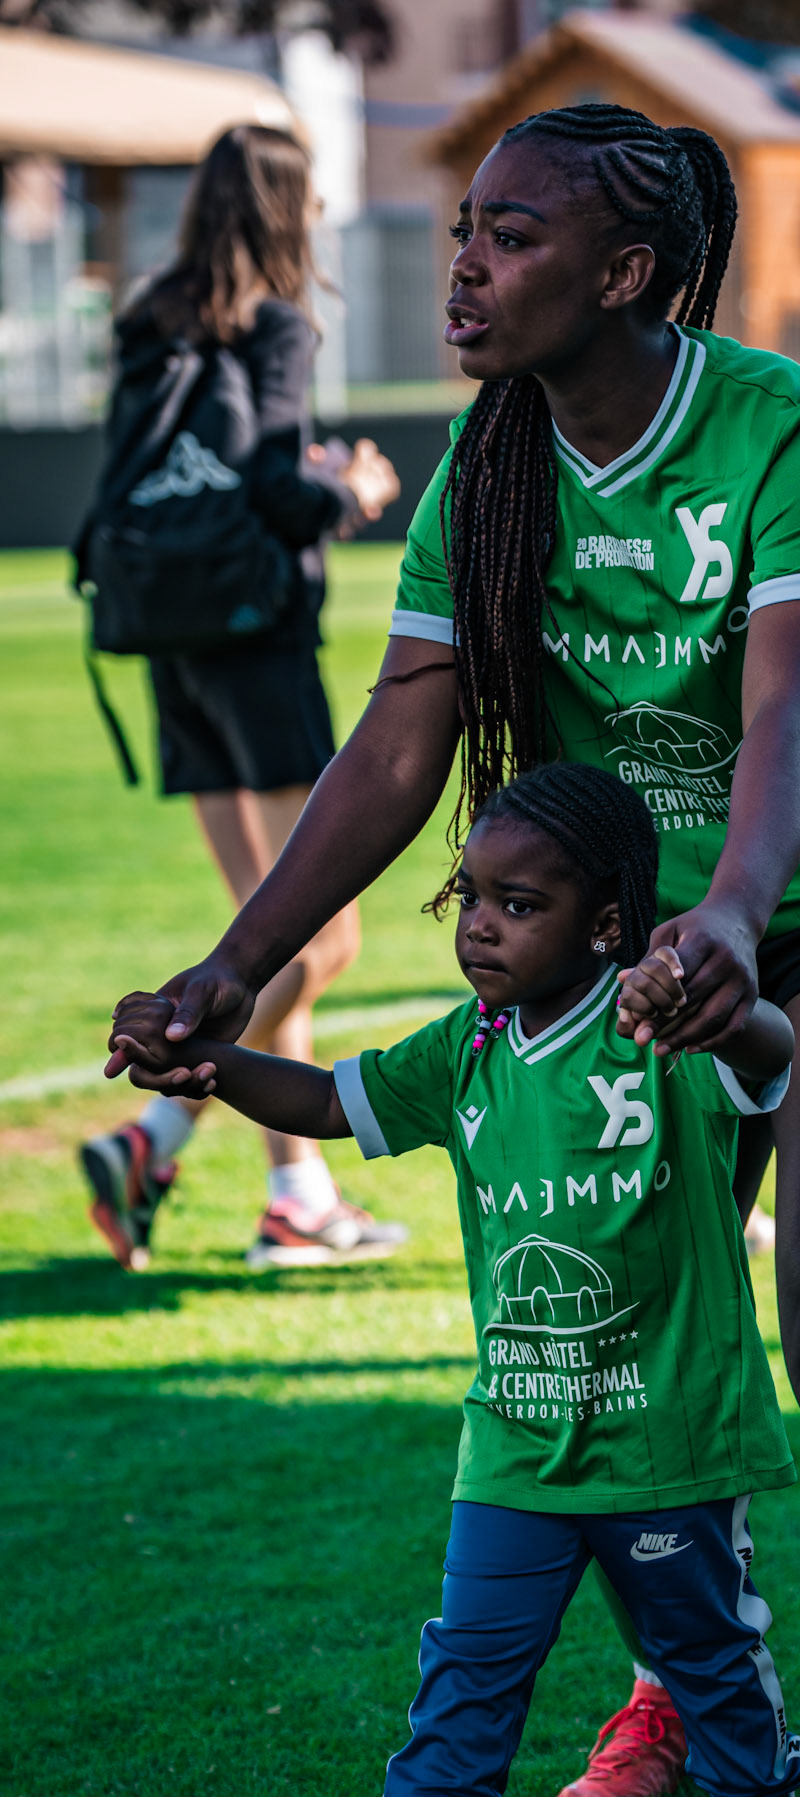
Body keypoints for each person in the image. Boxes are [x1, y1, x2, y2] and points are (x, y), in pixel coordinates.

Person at [108, 104, 800, 1797]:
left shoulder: (791, 430)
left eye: (512, 240)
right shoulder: (489, 462)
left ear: (627, 272)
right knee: (645, 1313)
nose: (465, 269)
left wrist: (739, 915)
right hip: (656, 926)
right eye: (463, 233)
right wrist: (236, 963)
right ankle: (698, 1684)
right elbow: (401, 737)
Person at [110, 762, 800, 1797]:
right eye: (470, 898)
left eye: (519, 903)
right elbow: (333, 1102)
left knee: (706, 1646)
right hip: (516, 1436)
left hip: (668, 1429)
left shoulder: (664, 1031)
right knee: (470, 1657)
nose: (482, 925)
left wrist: (726, 997)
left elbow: (771, 1054)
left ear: (606, 922)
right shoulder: (468, 1049)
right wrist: (209, 1066)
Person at [78, 124, 405, 1273]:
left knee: (254, 937)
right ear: (290, 206)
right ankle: (154, 1125)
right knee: (315, 939)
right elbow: (272, 483)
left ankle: (293, 1195)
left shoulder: (151, 315)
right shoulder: (277, 321)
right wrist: (351, 485)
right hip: (256, 643)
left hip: (169, 644)